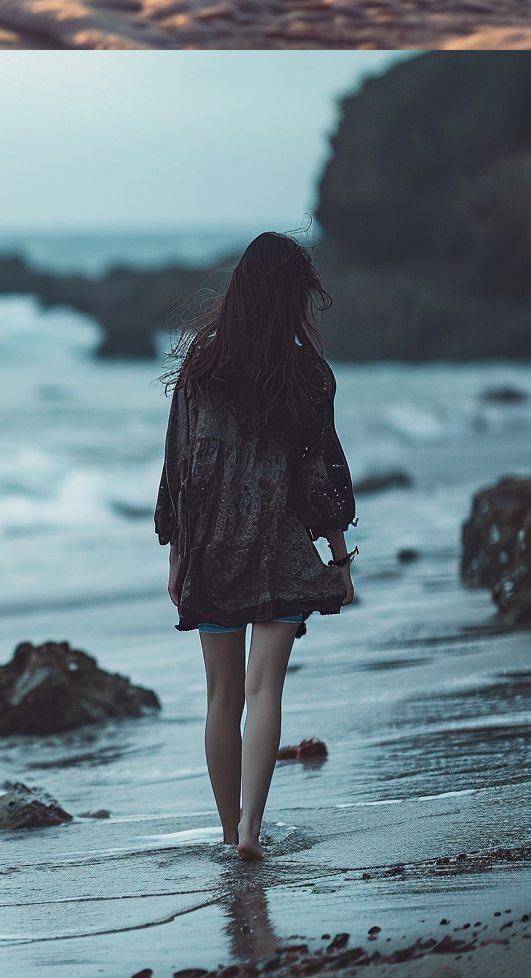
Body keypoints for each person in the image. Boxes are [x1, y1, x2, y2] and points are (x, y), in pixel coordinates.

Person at [155, 232, 358, 862]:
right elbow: (316, 476)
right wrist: (336, 556)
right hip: (279, 549)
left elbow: (180, 466)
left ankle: (226, 830)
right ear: (293, 296)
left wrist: (176, 551)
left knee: (221, 696)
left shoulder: (200, 368)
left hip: (213, 547)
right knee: (265, 689)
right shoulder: (306, 375)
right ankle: (251, 831)